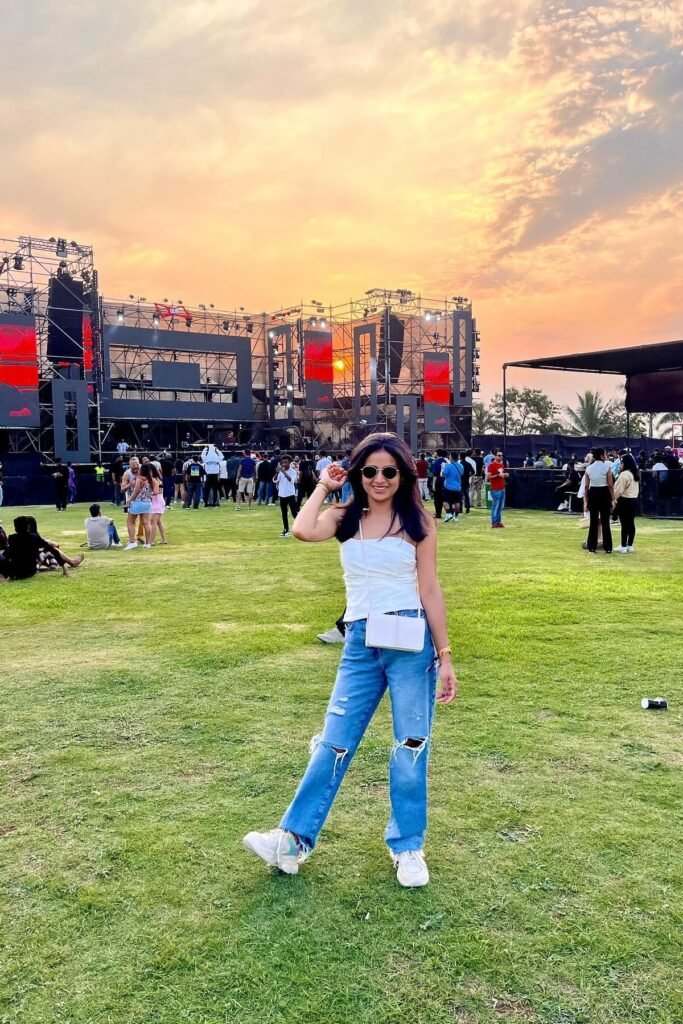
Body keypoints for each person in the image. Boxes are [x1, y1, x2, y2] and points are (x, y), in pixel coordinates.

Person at [243, 433, 457, 887]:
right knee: (333, 742)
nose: (379, 479)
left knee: (411, 745)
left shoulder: (417, 522)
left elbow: (430, 589)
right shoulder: (344, 517)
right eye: (370, 471)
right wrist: (324, 486)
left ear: (403, 475)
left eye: (389, 471)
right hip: (360, 641)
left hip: (410, 640)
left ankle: (408, 847)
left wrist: (445, 655)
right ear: (358, 473)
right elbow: (302, 529)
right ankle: (292, 841)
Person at [584, 447, 614, 555]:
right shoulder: (607, 467)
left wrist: (586, 501)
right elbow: (610, 484)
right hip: (604, 493)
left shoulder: (589, 468)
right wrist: (613, 498)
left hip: (593, 493)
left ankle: (591, 547)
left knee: (593, 521)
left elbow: (586, 486)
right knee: (605, 521)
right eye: (605, 454)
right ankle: (608, 548)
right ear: (602, 455)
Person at [613, 452, 639, 553]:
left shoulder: (624, 475)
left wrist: (612, 498)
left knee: (624, 524)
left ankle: (623, 546)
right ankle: (629, 545)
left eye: (622, 463)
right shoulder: (635, 473)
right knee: (631, 523)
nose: (620, 465)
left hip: (624, 501)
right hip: (633, 500)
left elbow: (618, 491)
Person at [126, 463, 155, 548]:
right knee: (146, 523)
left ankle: (132, 542)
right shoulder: (152, 479)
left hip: (138, 502)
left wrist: (129, 500)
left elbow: (136, 491)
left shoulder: (139, 479)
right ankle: (148, 543)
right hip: (148, 503)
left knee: (130, 521)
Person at [274, 455, 299, 537]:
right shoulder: (280, 472)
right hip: (282, 494)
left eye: (286, 462)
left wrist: (283, 472)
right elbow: (275, 480)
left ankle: (300, 528)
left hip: (290, 494)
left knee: (294, 513)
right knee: (284, 513)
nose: (284, 464)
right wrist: (277, 473)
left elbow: (292, 480)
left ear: (290, 462)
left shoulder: (293, 471)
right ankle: (286, 530)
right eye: (283, 462)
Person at [486, 451, 508, 528]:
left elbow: (502, 475)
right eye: (499, 455)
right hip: (495, 489)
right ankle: (494, 522)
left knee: (500, 507)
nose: (500, 457)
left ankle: (498, 522)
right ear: (495, 456)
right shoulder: (491, 465)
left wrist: (505, 475)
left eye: (501, 455)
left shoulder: (501, 465)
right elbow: (488, 477)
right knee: (495, 506)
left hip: (502, 488)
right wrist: (498, 475)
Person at [441, 452, 464, 523]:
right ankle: (456, 516)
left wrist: (442, 469)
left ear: (452, 457)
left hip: (448, 487)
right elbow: (462, 474)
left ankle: (448, 514)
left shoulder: (449, 466)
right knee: (457, 502)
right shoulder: (461, 466)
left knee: (445, 501)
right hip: (457, 487)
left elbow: (442, 475)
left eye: (450, 457)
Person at [149, 464, 168, 544]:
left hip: (156, 501)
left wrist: (148, 494)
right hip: (159, 501)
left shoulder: (153, 480)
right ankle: (164, 540)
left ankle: (151, 541)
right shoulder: (158, 479)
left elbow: (155, 492)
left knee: (153, 521)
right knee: (158, 522)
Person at [201, 443, 223, 507]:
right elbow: (222, 456)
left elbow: (202, 455)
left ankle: (206, 503)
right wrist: (217, 449)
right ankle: (214, 503)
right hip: (215, 476)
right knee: (215, 490)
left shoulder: (206, 458)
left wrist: (205, 448)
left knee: (207, 491)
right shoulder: (217, 458)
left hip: (208, 476)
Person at [431, 449, 447, 519]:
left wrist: (433, 485)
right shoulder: (445, 461)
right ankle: (448, 513)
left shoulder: (436, 462)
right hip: (445, 481)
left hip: (438, 481)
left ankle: (438, 513)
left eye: (435, 452)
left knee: (437, 498)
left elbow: (435, 475)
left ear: (437, 453)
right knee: (443, 498)